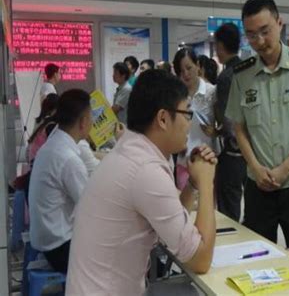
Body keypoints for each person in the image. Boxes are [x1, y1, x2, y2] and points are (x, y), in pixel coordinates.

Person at [66, 70, 217, 295]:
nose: (189, 124)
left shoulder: (131, 151)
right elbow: (200, 259)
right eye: (187, 114)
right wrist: (207, 183)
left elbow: (170, 217)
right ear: (163, 118)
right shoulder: (145, 170)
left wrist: (193, 184)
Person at [226, 0, 289, 248]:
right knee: (257, 256)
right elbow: (239, 127)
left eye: (265, 31)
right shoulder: (242, 75)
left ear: (280, 23)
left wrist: (285, 168)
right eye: (251, 35)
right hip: (258, 185)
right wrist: (256, 168)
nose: (259, 41)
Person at [28, 89, 92, 274]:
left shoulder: (54, 143)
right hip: (60, 247)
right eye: (91, 117)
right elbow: (90, 208)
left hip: (46, 238)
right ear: (83, 122)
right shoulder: (68, 158)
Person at [213, 22, 246, 222]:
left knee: (229, 209)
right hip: (253, 154)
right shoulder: (249, 71)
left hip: (233, 153)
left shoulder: (226, 77)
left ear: (220, 46)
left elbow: (228, 119)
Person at [173, 48, 217, 190]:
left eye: (189, 68)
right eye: (181, 70)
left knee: (207, 206)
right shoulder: (176, 95)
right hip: (183, 160)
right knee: (185, 209)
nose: (185, 74)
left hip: (206, 161)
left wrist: (216, 131)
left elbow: (225, 126)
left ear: (198, 65)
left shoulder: (212, 92)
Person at [28, 93, 59, 162]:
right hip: (39, 161)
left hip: (33, 159)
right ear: (55, 109)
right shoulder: (51, 125)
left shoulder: (39, 121)